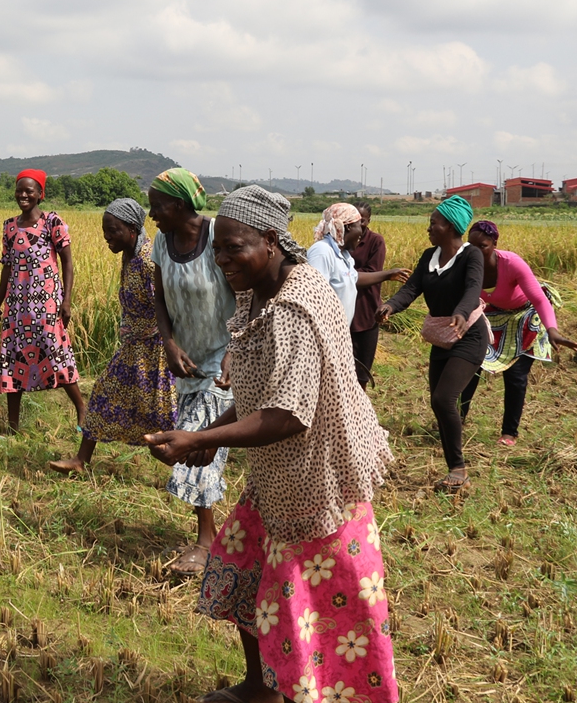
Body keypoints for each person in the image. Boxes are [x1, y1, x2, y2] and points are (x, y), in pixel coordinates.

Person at [146, 185, 398, 703]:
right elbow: (264, 387)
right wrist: (211, 437)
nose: (222, 259)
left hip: (317, 482)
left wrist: (202, 436)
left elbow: (287, 414)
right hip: (279, 478)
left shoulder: (295, 308)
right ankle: (261, 688)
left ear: (270, 241)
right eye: (218, 248)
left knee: (304, 613)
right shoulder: (259, 293)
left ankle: (301, 692)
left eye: (233, 247)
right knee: (242, 575)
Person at [147, 168, 238, 577]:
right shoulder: (162, 244)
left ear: (179, 205)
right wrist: (168, 343)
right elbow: (160, 300)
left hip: (226, 357)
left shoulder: (220, 235)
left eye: (157, 207)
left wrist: (236, 349)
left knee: (199, 445)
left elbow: (248, 293)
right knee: (197, 444)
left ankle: (206, 541)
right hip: (187, 359)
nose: (152, 216)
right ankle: (227, 531)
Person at [48, 199, 177, 474]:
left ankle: (189, 466)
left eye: (112, 230)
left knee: (164, 410)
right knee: (103, 394)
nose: (107, 237)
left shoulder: (146, 259)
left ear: (132, 229)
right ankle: (81, 461)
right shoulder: (130, 253)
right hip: (133, 346)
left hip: (155, 349)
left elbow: (166, 305)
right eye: (105, 230)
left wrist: (167, 345)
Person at [377, 195, 485, 493]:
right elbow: (411, 289)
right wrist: (390, 305)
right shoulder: (429, 257)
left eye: (433, 224)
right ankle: (455, 461)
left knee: (443, 399)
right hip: (443, 334)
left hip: (470, 334)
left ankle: (458, 468)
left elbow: (473, 289)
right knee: (438, 400)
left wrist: (462, 313)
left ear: (450, 227)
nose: (429, 228)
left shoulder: (471, 255)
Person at [459, 220, 577, 445]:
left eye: (483, 246)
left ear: (494, 244)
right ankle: (457, 419)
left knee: (515, 376)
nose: (476, 251)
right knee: (472, 364)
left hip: (526, 316)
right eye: (471, 246)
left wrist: (552, 330)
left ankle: (509, 432)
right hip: (493, 316)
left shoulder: (512, 264)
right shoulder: (466, 264)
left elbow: (539, 299)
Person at [0, 169, 85, 432]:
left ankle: (83, 411)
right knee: (13, 359)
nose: (23, 195)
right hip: (17, 306)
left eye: (29, 190)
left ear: (41, 194)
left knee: (56, 352)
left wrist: (66, 300)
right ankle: (13, 426)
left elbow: (68, 263)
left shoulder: (53, 222)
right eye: (19, 190)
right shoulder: (9, 226)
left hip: (47, 304)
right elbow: (7, 268)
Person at [307, 203, 410, 325]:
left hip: (339, 331)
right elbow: (313, 296)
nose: (361, 232)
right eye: (358, 226)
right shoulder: (322, 251)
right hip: (323, 330)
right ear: (349, 227)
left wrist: (388, 275)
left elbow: (353, 278)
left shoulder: (344, 255)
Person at [350, 203, 411, 388]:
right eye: (354, 220)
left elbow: (372, 273)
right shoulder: (341, 240)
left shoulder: (375, 241)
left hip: (366, 309)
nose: (359, 224)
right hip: (344, 309)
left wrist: (346, 275)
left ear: (369, 220)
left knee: (362, 372)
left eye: (363, 220)